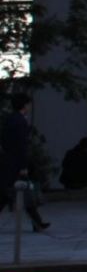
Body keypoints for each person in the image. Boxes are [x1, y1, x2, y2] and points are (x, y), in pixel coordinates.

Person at [1, 95, 51, 232]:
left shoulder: (10, 119)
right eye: (28, 104)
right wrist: (23, 166)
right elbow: (21, 145)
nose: (29, 107)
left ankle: (38, 223)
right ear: (24, 105)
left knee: (12, 193)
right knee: (14, 193)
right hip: (15, 163)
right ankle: (37, 223)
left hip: (9, 161)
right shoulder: (19, 121)